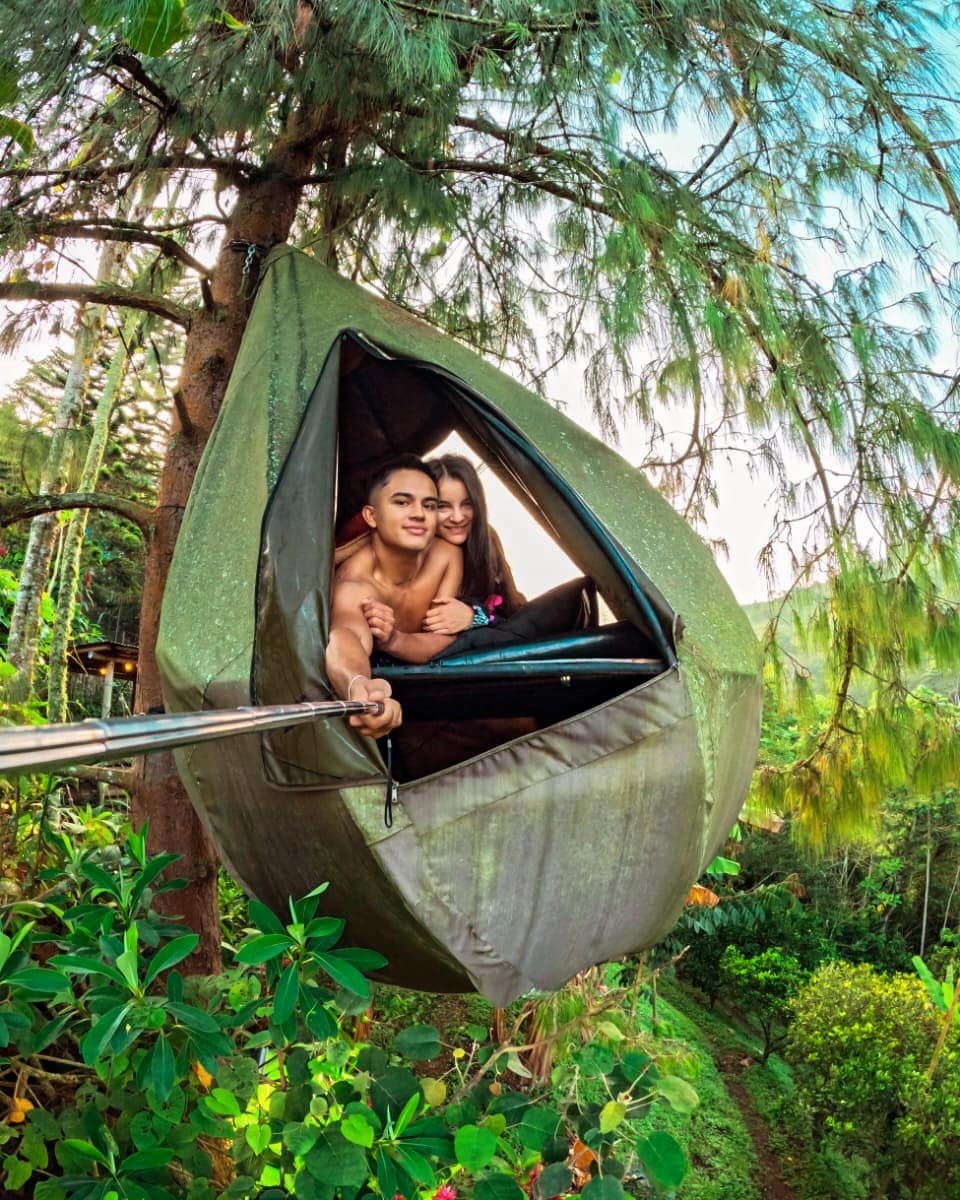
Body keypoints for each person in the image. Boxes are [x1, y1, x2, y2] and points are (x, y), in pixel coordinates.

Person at [325, 455, 461, 737]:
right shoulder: (355, 583)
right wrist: (359, 686)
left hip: (438, 690)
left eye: (430, 505)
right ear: (371, 516)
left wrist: (394, 639)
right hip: (390, 704)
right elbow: (345, 635)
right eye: (402, 502)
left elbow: (443, 639)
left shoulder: (447, 556)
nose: (418, 514)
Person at [420, 454, 525, 637]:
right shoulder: (408, 546)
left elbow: (512, 618)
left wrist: (472, 617)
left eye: (467, 504)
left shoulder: (487, 541)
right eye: (443, 506)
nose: (458, 517)